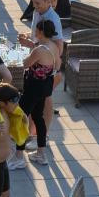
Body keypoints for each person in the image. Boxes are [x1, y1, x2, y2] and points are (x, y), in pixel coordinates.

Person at [16, 19, 62, 167]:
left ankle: (18, 156)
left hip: (33, 87)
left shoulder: (39, 50)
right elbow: (58, 64)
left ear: (41, 32)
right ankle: (41, 154)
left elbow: (25, 64)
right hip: (45, 86)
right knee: (38, 117)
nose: (34, 32)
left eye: (36, 30)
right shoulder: (53, 46)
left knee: (21, 118)